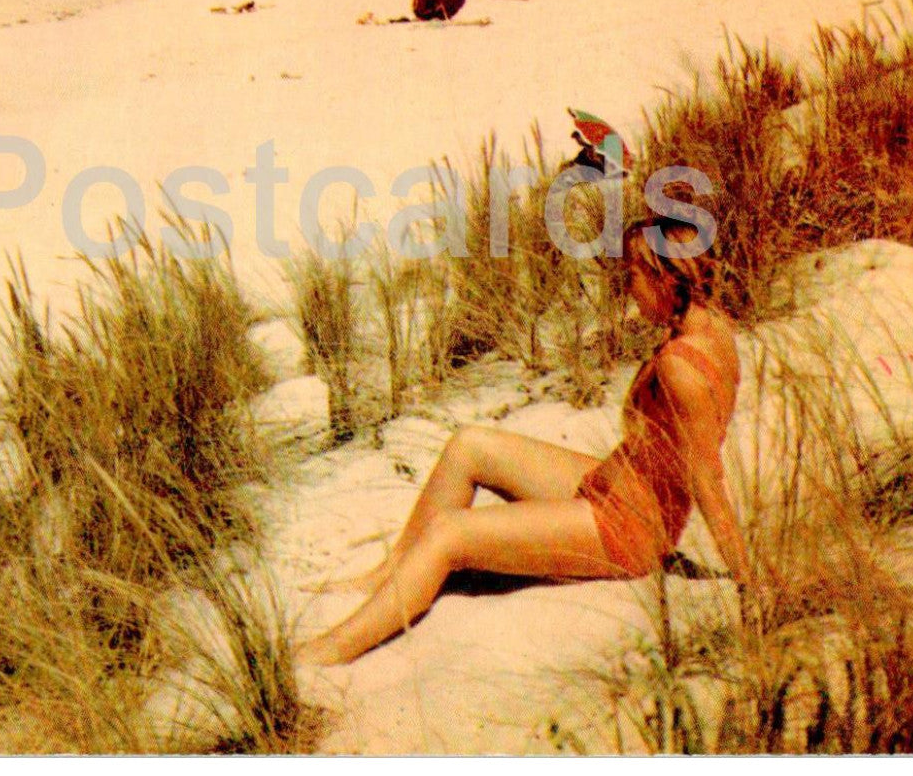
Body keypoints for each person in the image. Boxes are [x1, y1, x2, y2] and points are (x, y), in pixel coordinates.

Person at [297, 217, 748, 666]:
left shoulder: (680, 368)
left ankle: (332, 650)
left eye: (631, 273)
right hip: (616, 488)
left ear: (664, 277)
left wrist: (747, 580)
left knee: (447, 534)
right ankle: (390, 571)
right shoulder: (712, 330)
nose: (626, 287)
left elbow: (705, 479)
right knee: (469, 444)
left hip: (627, 531)